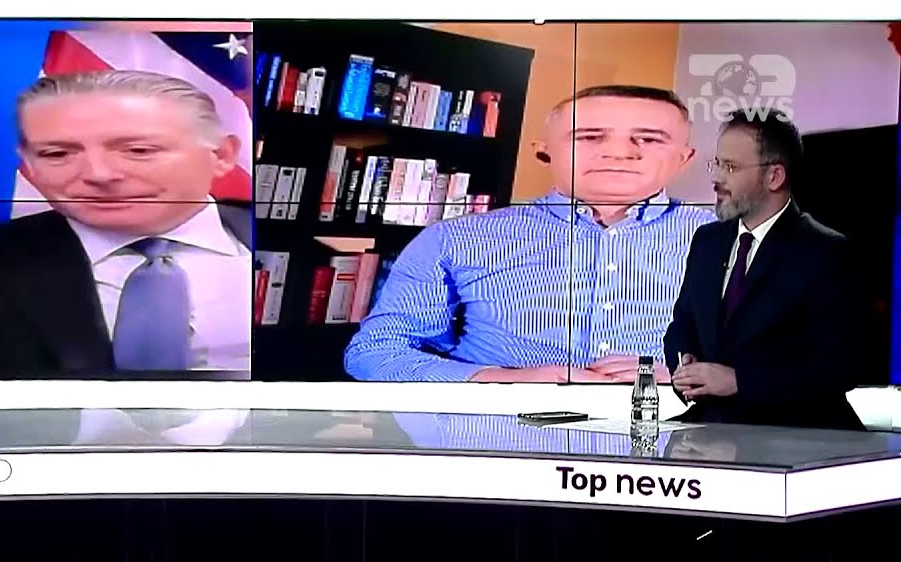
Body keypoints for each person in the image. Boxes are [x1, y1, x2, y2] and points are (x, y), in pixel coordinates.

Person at [0, 69, 252, 379]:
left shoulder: (279, 253)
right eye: (57, 154)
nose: (99, 174)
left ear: (221, 155)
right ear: (28, 166)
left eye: (138, 150)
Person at [344, 85, 716, 384]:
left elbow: (753, 363)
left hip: (677, 443)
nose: (619, 153)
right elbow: (375, 352)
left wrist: (692, 379)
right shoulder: (453, 239)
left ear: (684, 158)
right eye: (590, 137)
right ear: (544, 152)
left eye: (648, 139)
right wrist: (502, 380)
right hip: (495, 438)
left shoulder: (735, 242)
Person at [664, 111, 865, 430]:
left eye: (731, 167)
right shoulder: (707, 241)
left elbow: (839, 367)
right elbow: (683, 323)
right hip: (712, 426)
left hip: (792, 434)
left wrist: (738, 381)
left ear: (774, 177)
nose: (717, 178)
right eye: (716, 164)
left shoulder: (825, 252)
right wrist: (684, 361)